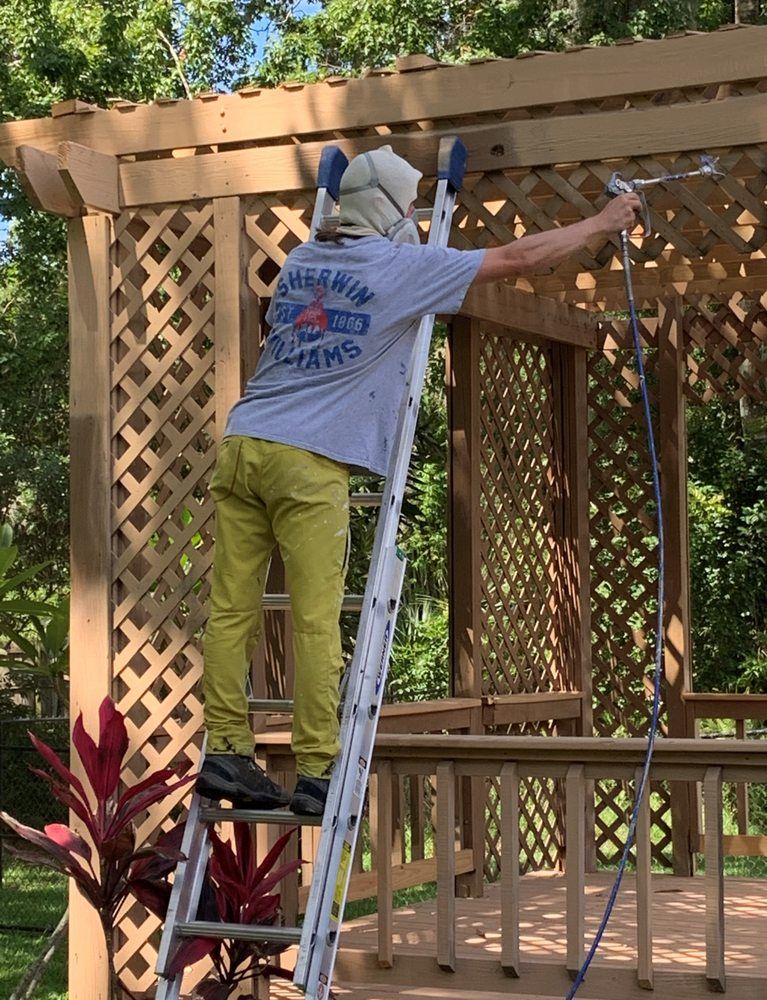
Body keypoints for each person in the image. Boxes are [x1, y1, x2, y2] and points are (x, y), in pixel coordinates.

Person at [195, 145, 640, 815]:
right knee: (315, 622)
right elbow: (520, 257)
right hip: (307, 462)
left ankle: (226, 749)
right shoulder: (401, 268)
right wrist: (603, 223)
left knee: (232, 610)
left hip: (243, 442)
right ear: (388, 211)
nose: (413, 217)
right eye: (407, 206)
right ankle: (316, 771)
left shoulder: (302, 260)